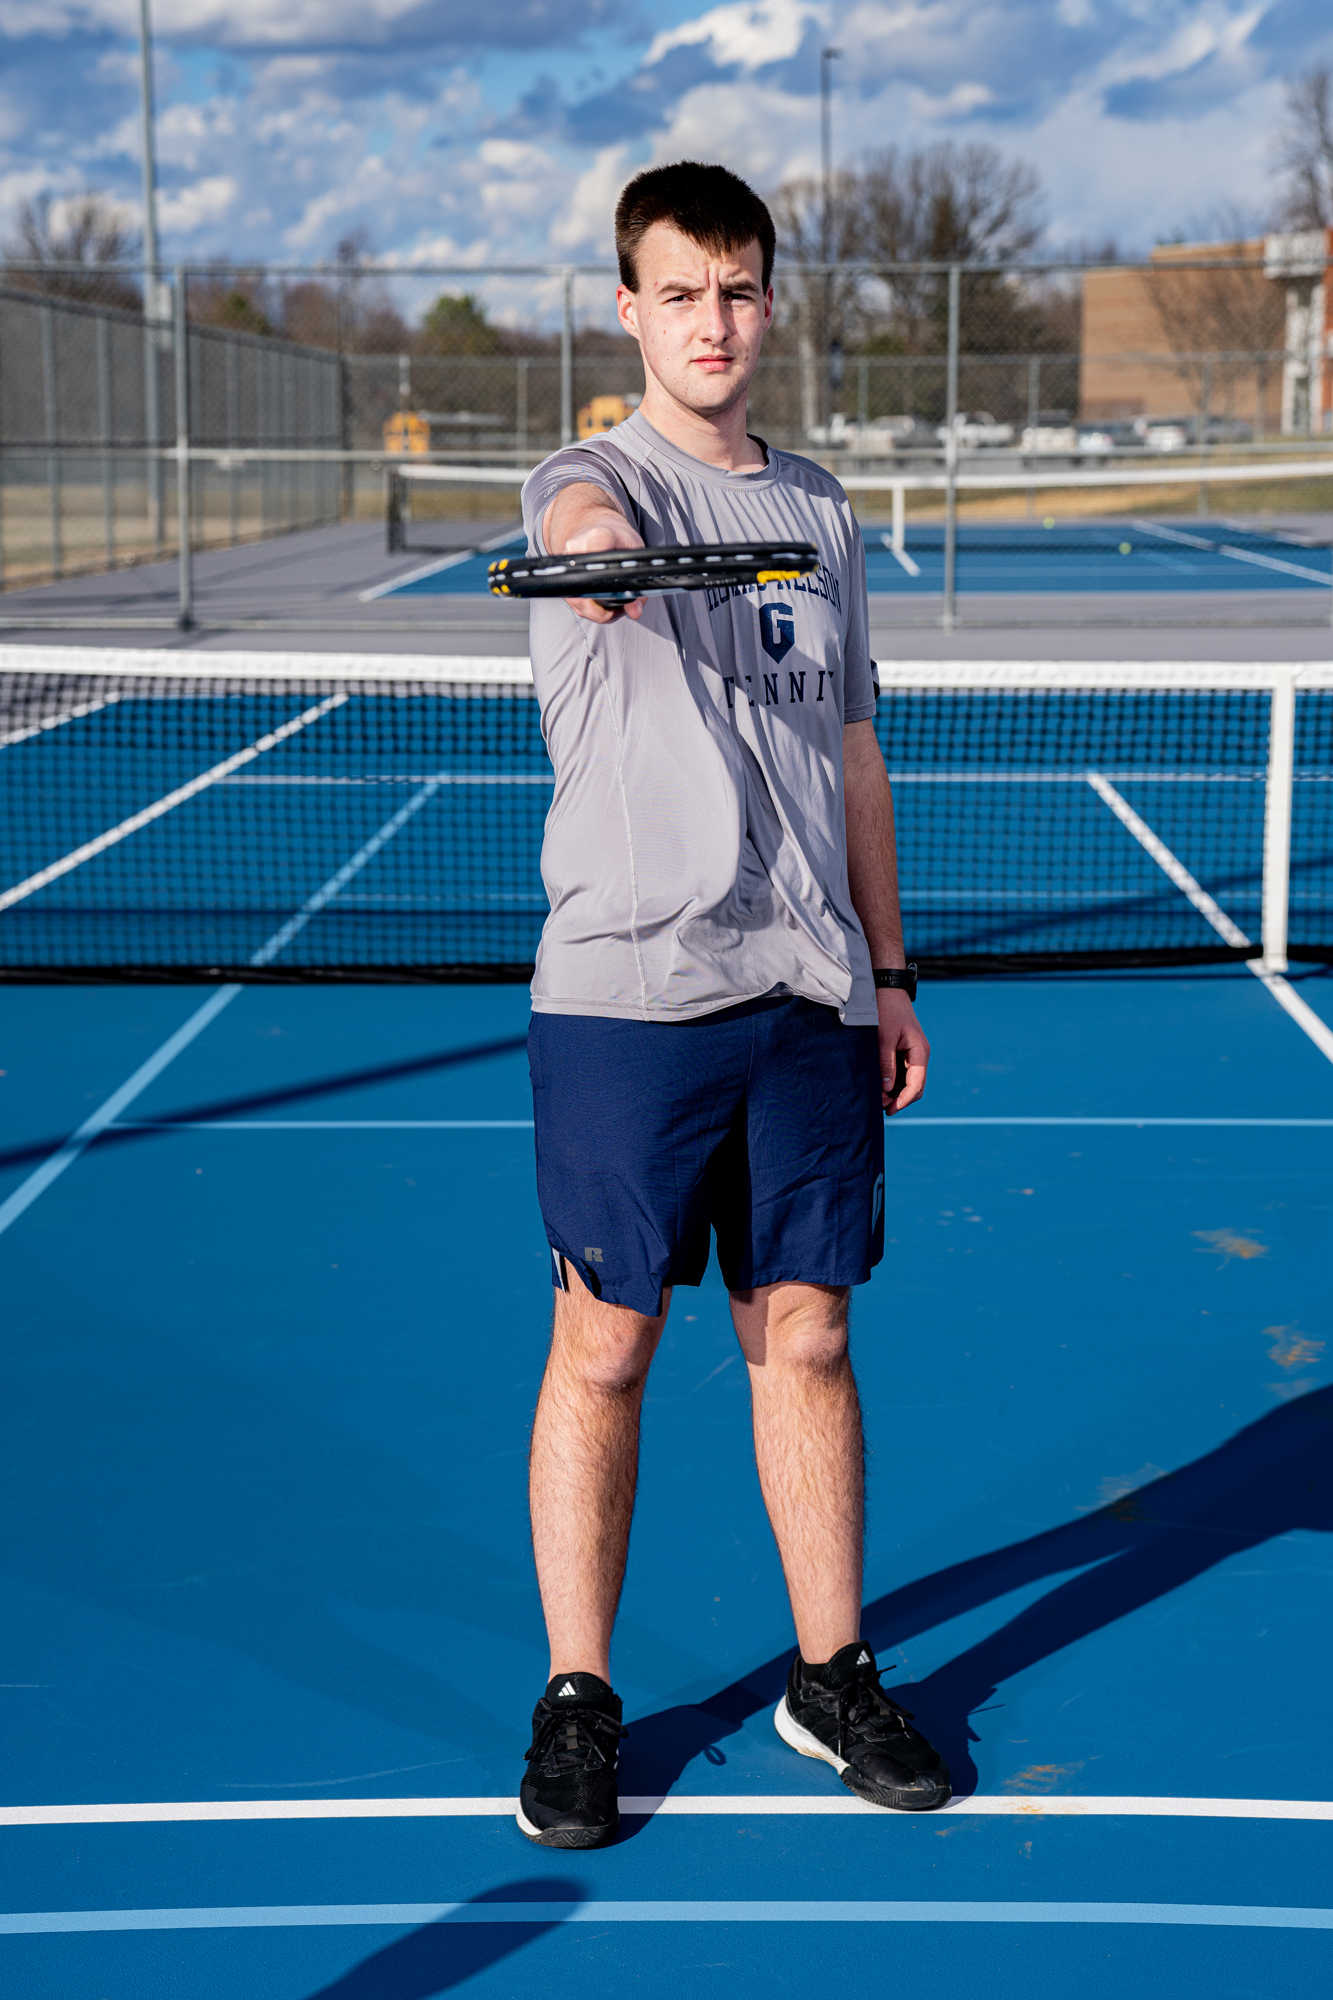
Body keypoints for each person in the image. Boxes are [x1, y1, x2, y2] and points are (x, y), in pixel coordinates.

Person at [516, 160, 949, 1849]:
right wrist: (602, 558)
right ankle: (578, 1695)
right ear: (629, 308)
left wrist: (886, 969)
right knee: (605, 1347)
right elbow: (578, 533)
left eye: (738, 290)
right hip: (631, 998)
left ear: (769, 304)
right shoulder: (588, 478)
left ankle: (828, 1675)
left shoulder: (821, 513)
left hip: (809, 991)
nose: (713, 321)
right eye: (681, 292)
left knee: (809, 1336)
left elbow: (852, 750)